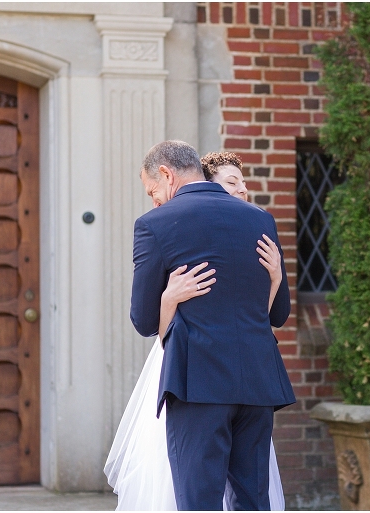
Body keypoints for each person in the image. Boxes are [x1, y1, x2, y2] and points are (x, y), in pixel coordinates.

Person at [105, 152, 287, 510]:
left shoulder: (154, 224)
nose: (153, 198)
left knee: (199, 501)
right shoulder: (261, 220)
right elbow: (278, 314)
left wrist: (168, 298)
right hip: (258, 381)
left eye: (151, 189)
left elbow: (143, 322)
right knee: (254, 499)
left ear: (166, 174)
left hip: (198, 384)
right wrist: (278, 277)